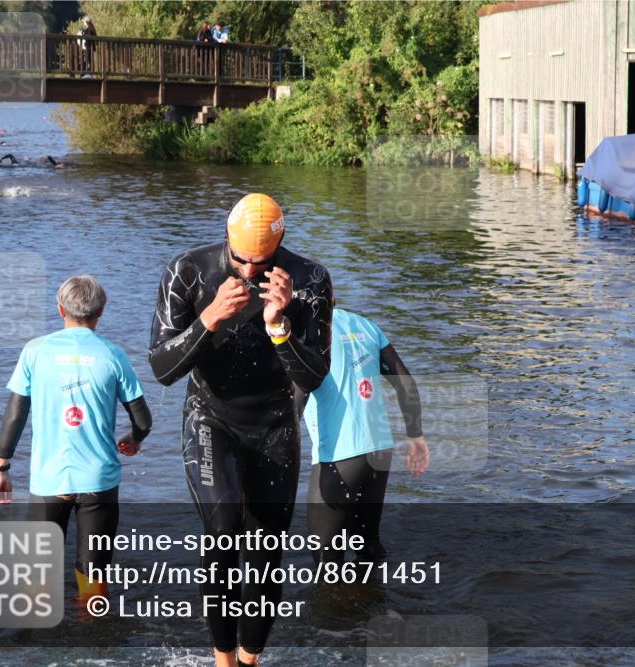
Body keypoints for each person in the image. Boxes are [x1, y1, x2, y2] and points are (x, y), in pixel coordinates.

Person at [149, 193, 332, 667]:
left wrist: (279, 327)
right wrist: (208, 319)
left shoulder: (310, 281)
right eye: (241, 260)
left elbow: (313, 378)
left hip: (275, 423)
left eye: (262, 262)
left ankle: (250, 661)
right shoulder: (188, 271)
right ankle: (222, 659)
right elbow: (163, 369)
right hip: (211, 417)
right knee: (223, 531)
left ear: (281, 243)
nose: (250, 272)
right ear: (227, 243)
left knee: (267, 549)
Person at [0, 275, 153, 600]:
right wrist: (134, 439)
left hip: (49, 481)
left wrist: (1, 467)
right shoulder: (113, 355)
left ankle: (36, 641)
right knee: (93, 575)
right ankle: (93, 636)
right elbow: (144, 420)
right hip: (98, 481)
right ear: (101, 310)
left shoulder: (35, 352)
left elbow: (15, 415)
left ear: (60, 309)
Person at [302, 305, 429, 565]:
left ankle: (343, 604)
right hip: (380, 450)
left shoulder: (300, 331)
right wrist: (415, 436)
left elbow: (290, 399)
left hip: (339, 455)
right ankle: (377, 599)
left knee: (327, 559)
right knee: (367, 543)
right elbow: (404, 381)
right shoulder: (364, 324)